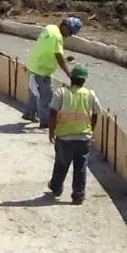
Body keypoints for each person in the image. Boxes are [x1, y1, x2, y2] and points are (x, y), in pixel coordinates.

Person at [47, 64, 99, 204]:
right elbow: (95, 114)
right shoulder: (90, 94)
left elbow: (52, 113)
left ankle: (56, 188)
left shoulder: (61, 93)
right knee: (81, 167)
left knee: (61, 164)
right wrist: (91, 129)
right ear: (84, 80)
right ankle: (78, 195)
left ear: (71, 78)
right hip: (83, 138)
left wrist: (51, 130)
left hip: (64, 137)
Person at [23, 15, 83, 127]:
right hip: (42, 70)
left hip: (33, 65)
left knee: (34, 91)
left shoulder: (50, 28)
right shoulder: (57, 37)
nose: (69, 35)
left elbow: (48, 49)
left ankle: (29, 113)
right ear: (65, 26)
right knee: (46, 97)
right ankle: (46, 122)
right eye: (70, 32)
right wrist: (69, 74)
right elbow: (58, 57)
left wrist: (64, 59)